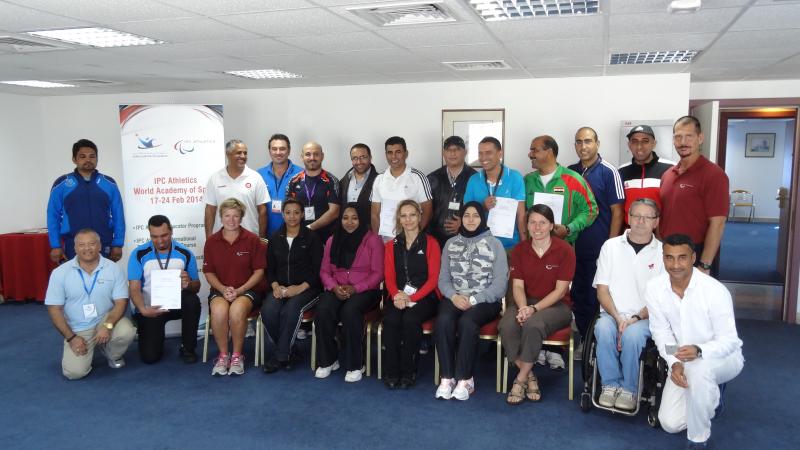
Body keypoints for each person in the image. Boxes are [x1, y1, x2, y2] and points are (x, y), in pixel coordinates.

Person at [646, 234, 743, 448]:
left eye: (682, 258)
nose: (675, 264)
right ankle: (710, 398)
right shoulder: (654, 289)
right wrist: (675, 363)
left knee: (700, 372)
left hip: (723, 358)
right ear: (663, 259)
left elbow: (730, 341)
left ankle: (698, 439)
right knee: (669, 423)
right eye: (669, 258)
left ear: (693, 258)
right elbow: (662, 333)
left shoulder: (715, 291)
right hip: (684, 359)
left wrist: (700, 350)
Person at [592, 198, 664, 411]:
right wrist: (617, 317)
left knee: (633, 335)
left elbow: (660, 299)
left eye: (647, 217)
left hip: (645, 316)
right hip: (612, 313)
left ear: (656, 222)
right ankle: (609, 385)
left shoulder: (662, 252)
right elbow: (602, 290)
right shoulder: (610, 246)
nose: (640, 221)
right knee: (602, 328)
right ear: (628, 218)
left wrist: (634, 319)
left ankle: (629, 389)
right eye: (636, 216)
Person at [499, 204, 575, 405]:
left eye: (542, 223)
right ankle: (530, 374)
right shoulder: (519, 250)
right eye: (532, 222)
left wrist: (533, 310)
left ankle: (520, 379)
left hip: (557, 306)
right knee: (506, 325)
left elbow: (560, 291)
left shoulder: (565, 250)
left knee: (533, 325)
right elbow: (517, 286)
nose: (537, 227)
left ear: (551, 225)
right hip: (525, 302)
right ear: (527, 226)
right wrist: (524, 308)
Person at [435, 201, 507, 400]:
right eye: (466, 215)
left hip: (485, 300)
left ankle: (466, 379)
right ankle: (447, 377)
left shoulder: (495, 244)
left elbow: (501, 285)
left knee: (467, 322)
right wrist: (454, 296)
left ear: (483, 218)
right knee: (443, 320)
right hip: (455, 296)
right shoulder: (451, 243)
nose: (471, 219)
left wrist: (475, 299)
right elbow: (443, 279)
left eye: (475, 215)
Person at [44, 229, 135, 380]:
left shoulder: (113, 268)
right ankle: (85, 346)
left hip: (105, 321)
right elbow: (54, 309)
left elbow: (121, 302)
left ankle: (111, 353)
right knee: (74, 373)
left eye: (92, 244)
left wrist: (107, 327)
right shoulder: (60, 273)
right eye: (82, 245)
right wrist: (72, 338)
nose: (87, 248)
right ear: (75, 248)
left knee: (127, 331)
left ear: (100, 246)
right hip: (78, 328)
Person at [314, 203, 384, 382]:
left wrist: (356, 288)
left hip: (365, 290)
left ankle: (356, 363)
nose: (349, 222)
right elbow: (324, 271)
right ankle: (328, 360)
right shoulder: (332, 240)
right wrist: (333, 287)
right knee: (323, 309)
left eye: (354, 218)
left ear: (362, 219)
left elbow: (378, 273)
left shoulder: (373, 240)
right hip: (337, 287)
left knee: (350, 311)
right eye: (345, 218)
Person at [567, 127, 625, 344]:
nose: (583, 146)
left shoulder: (610, 172)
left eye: (588, 141)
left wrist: (609, 248)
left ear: (597, 143)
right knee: (577, 296)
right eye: (579, 142)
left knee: (595, 298)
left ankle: (598, 342)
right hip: (572, 248)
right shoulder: (570, 172)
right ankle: (584, 338)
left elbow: (618, 213)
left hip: (598, 248)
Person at [203, 198, 267, 376]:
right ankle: (223, 356)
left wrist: (240, 290)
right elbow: (208, 272)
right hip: (220, 289)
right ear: (220, 217)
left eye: (236, 216)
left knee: (237, 311)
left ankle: (237, 356)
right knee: (218, 311)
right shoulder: (212, 241)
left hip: (248, 290)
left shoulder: (252, 240)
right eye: (227, 216)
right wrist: (223, 289)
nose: (231, 220)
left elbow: (259, 272)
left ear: (242, 217)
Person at [660, 116, 729, 277]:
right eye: (678, 137)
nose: (683, 142)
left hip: (695, 254)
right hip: (667, 253)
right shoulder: (667, 175)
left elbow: (717, 224)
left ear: (700, 138)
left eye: (689, 136)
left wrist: (704, 264)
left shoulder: (714, 175)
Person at [382, 200, 441, 389]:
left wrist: (411, 298)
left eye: (412, 215)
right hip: (397, 295)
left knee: (410, 319)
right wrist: (396, 295)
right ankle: (392, 371)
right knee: (391, 319)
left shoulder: (431, 243)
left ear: (420, 217)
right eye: (404, 215)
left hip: (426, 297)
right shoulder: (391, 245)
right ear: (399, 218)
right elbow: (389, 276)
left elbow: (433, 280)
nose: (408, 219)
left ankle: (409, 370)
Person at [128, 215, 201, 364]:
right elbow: (134, 287)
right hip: (151, 308)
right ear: (149, 234)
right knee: (150, 357)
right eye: (154, 236)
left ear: (171, 231)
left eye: (164, 235)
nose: (160, 241)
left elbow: (197, 286)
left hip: (176, 304)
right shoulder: (139, 254)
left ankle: (188, 348)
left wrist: (188, 284)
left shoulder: (185, 253)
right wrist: (143, 309)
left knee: (192, 301)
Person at [262, 198, 324, 373]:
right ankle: (289, 349)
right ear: (282, 214)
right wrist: (275, 286)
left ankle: (281, 356)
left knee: (291, 309)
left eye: (296, 212)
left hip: (308, 288)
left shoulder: (312, 238)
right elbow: (270, 269)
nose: (292, 216)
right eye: (288, 212)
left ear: (303, 214)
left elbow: (317, 270)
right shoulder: (275, 238)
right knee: (268, 310)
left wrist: (299, 288)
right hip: (280, 288)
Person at [47, 139, 125, 262]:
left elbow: (118, 215)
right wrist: (56, 245)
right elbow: (53, 216)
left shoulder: (109, 184)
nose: (88, 160)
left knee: (103, 280)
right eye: (82, 156)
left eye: (92, 156)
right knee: (75, 280)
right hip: (73, 244)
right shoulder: (62, 184)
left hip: (103, 242)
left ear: (97, 158)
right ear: (74, 159)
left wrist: (118, 243)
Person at [525, 135, 597, 246]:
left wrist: (569, 229)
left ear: (549, 152)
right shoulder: (527, 180)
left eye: (534, 150)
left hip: (563, 247)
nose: (530, 154)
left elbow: (591, 210)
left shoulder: (574, 179)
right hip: (532, 247)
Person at [463, 136, 526, 250]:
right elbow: (466, 212)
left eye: (488, 153)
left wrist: (525, 245)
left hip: (509, 245)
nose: (483, 157)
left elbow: (520, 214)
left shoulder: (514, 177)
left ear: (500, 154)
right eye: (480, 153)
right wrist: (483, 207)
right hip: (479, 245)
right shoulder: (473, 180)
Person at [371, 136, 433, 241]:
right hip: (386, 241)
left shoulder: (418, 177)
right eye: (389, 152)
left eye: (398, 152)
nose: (394, 156)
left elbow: (428, 212)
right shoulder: (379, 179)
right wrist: (378, 241)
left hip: (411, 241)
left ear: (406, 153)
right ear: (385, 155)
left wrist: (414, 236)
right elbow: (374, 214)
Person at [205, 139, 270, 238]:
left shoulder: (256, 177)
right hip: (222, 239)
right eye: (239, 153)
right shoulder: (215, 178)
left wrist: (261, 239)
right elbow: (210, 210)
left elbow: (263, 211)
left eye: (245, 153)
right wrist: (209, 238)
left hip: (250, 238)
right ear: (228, 154)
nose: (243, 156)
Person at [617, 124, 675, 223]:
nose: (639, 147)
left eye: (645, 141)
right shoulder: (620, 172)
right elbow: (618, 209)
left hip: (660, 234)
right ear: (629, 145)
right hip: (630, 233)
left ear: (654, 144)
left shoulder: (671, 168)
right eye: (635, 142)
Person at [285, 141, 340, 242]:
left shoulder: (332, 181)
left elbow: (334, 212)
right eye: (308, 154)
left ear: (322, 156)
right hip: (299, 237)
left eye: (316, 154)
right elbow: (288, 210)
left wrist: (309, 228)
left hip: (326, 239)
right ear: (302, 157)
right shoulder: (293, 181)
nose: (312, 158)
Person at [427, 136, 477, 247]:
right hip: (436, 239)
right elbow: (426, 211)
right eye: (449, 150)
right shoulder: (432, 178)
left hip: (467, 238)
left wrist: (464, 222)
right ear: (443, 153)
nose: (452, 153)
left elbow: (480, 208)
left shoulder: (475, 178)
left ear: (465, 152)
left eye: (457, 149)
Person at [258, 133, 303, 238]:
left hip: (295, 236)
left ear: (289, 151)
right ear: (269, 151)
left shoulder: (301, 174)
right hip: (267, 235)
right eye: (274, 149)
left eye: (282, 149)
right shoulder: (259, 175)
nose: (278, 152)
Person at [339, 143, 379, 230]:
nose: (359, 162)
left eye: (363, 157)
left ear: (370, 158)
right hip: (346, 233)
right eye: (355, 158)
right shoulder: (343, 181)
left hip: (368, 234)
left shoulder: (379, 181)